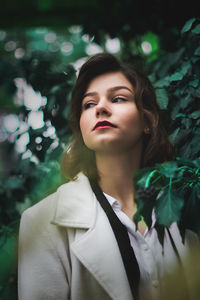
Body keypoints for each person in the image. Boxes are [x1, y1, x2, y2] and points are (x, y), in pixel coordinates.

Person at [18, 53, 198, 300]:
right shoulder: (42, 224)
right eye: (88, 104)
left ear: (148, 121)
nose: (100, 108)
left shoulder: (186, 208)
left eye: (118, 98)